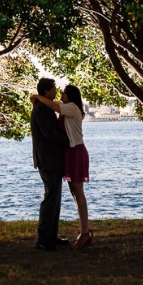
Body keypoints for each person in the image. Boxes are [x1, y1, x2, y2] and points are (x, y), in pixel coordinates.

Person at [32, 83, 93, 247]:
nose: (60, 94)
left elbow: (52, 105)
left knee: (78, 193)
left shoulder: (72, 107)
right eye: (56, 90)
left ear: (71, 96)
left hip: (76, 152)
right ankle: (81, 231)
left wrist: (37, 96)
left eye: (64, 93)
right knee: (74, 193)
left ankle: (85, 232)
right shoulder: (64, 108)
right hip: (69, 152)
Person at [30, 77, 72, 251]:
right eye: (54, 88)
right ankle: (43, 238)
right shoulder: (41, 109)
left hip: (51, 159)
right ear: (46, 90)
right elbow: (49, 133)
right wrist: (69, 141)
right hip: (48, 160)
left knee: (55, 198)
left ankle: (51, 235)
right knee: (50, 198)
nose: (56, 91)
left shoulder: (43, 107)